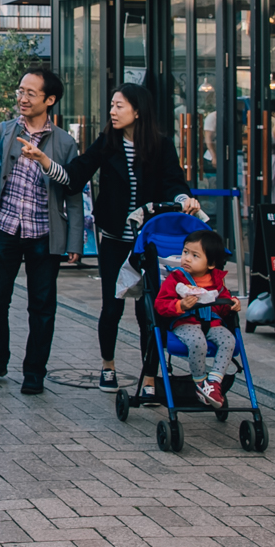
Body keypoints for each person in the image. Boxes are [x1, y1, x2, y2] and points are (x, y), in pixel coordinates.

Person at [67, 83, 203, 395]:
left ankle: (151, 378)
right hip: (114, 239)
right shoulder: (107, 143)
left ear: (137, 111)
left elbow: (174, 182)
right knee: (112, 307)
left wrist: (185, 198)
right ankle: (108, 365)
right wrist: (46, 164)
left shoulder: (161, 146)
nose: (112, 112)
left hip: (148, 243)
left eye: (119, 106)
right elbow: (78, 173)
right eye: (112, 105)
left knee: (149, 312)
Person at [0, 67, 85, 395]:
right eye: (21, 91)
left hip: (44, 234)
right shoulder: (2, 132)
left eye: (31, 93)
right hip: (5, 228)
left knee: (43, 307)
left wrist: (75, 239)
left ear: (49, 100)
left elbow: (72, 194)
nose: (22, 97)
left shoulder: (63, 142)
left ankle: (35, 371)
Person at [154, 230, 238, 408]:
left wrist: (232, 303)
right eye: (185, 252)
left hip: (212, 322)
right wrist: (180, 306)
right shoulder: (176, 279)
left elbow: (223, 308)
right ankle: (200, 383)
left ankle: (214, 383)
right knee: (198, 342)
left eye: (195, 255)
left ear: (212, 263)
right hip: (185, 322)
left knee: (229, 340)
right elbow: (160, 304)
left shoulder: (217, 282)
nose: (187, 259)